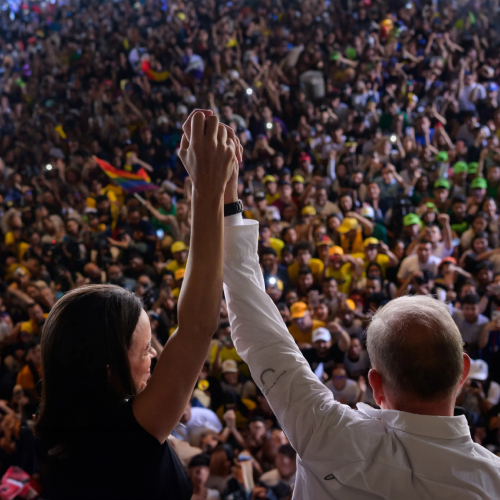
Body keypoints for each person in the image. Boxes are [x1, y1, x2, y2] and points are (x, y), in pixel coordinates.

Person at [222, 173, 500, 499]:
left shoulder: (332, 437)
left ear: (375, 384)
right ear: (463, 371)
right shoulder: (492, 480)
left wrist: (225, 195)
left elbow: (262, 336)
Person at [34, 110, 241, 499]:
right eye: (145, 349)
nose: (155, 357)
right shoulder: (124, 439)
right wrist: (207, 186)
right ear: (109, 371)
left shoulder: (57, 435)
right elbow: (196, 327)